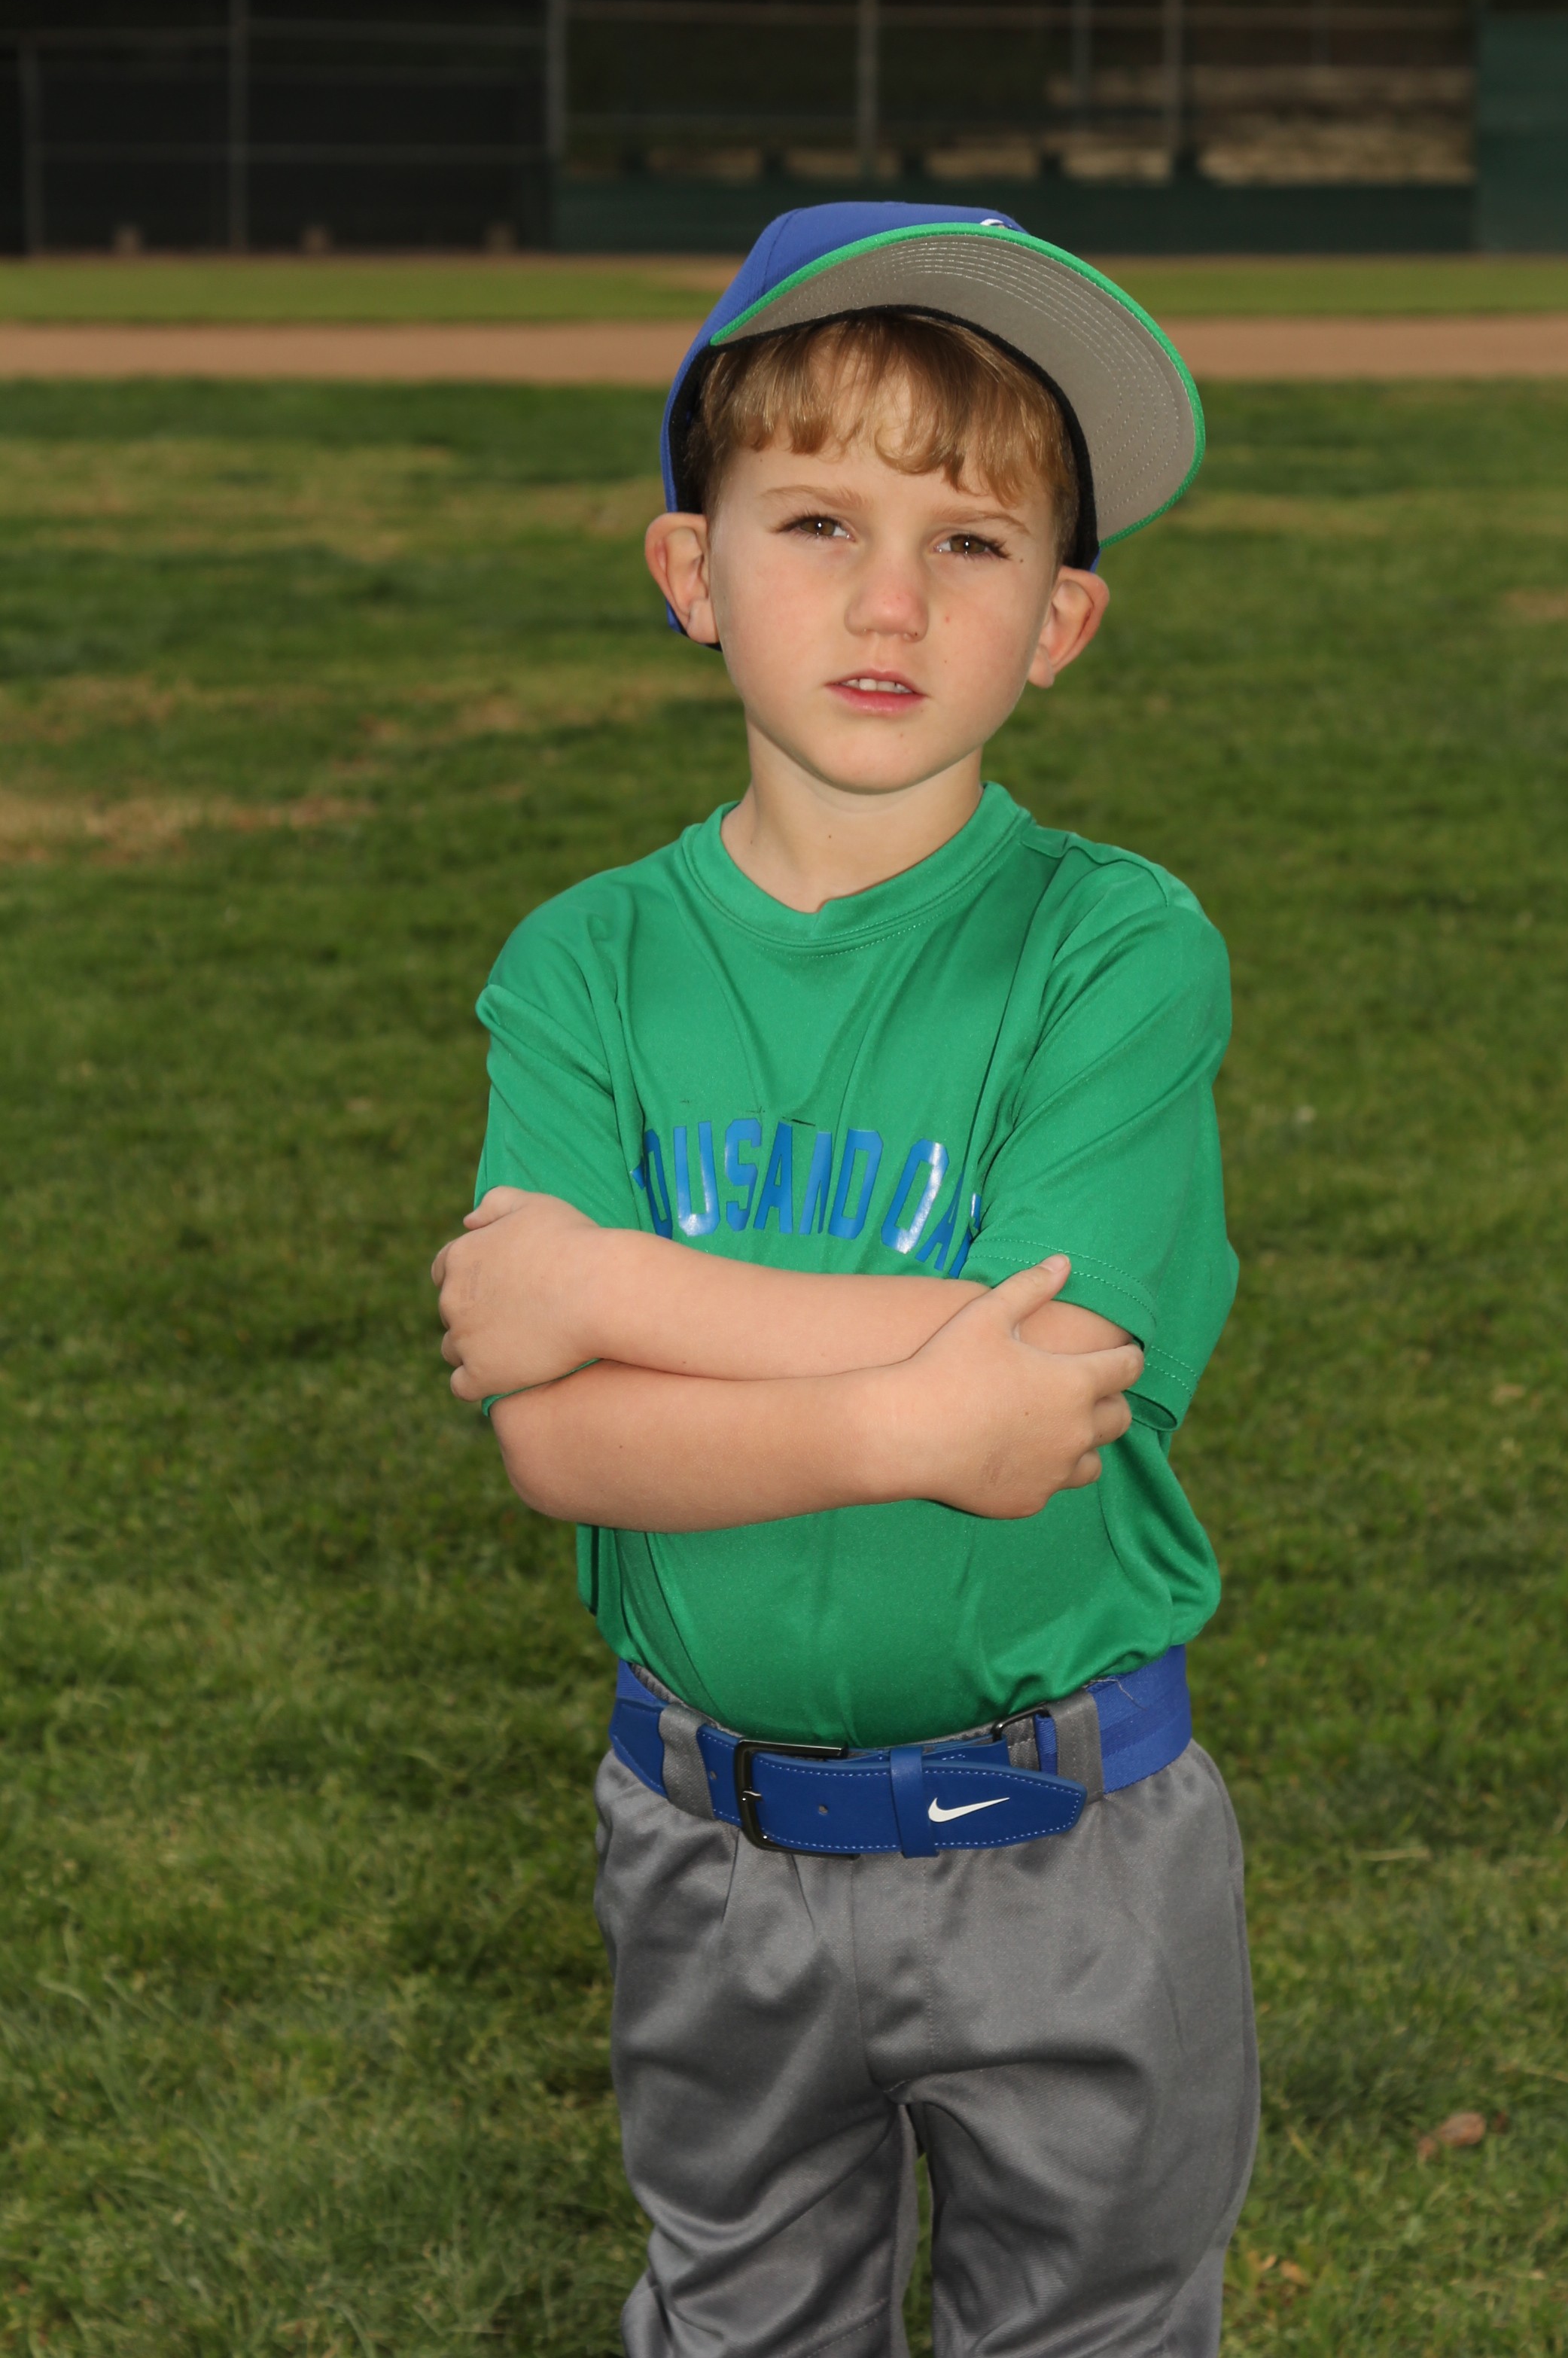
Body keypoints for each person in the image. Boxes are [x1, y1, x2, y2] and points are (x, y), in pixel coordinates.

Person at [432, 202, 1259, 2358]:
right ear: (691, 571)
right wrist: (911, 1415)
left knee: (1089, 2327)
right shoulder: (586, 965)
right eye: (816, 521)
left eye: (971, 543)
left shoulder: (1113, 945)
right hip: (706, 1840)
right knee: (741, 2319)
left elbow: (1054, 1371)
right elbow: (559, 1444)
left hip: (1072, 1841)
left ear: (1060, 622)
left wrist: (606, 1283)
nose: (892, 599)